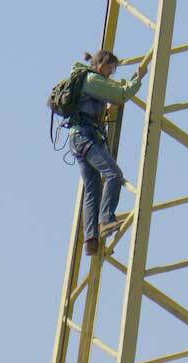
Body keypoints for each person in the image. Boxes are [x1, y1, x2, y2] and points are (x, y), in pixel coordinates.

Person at [68, 50, 146, 255]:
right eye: (111, 68)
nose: (112, 72)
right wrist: (137, 80)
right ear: (101, 64)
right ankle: (105, 220)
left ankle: (91, 240)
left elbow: (113, 89)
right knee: (114, 175)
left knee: (93, 187)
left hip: (81, 137)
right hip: (86, 137)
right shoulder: (92, 79)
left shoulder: (88, 79)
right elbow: (120, 95)